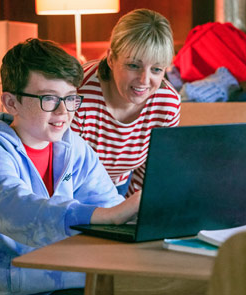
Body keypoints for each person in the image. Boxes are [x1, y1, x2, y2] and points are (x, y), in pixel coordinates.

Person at [0, 38, 140, 295]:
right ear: (11, 102)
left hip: (65, 279)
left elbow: (111, 211)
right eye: (49, 98)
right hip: (9, 288)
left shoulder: (75, 148)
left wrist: (140, 213)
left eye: (71, 98)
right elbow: (17, 209)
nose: (63, 111)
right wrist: (106, 216)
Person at [71, 8, 181, 197]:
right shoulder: (78, 92)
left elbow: (149, 174)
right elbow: (60, 170)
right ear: (111, 58)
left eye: (156, 69)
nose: (144, 80)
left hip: (119, 187)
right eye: (133, 66)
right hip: (71, 188)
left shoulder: (167, 104)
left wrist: (131, 216)